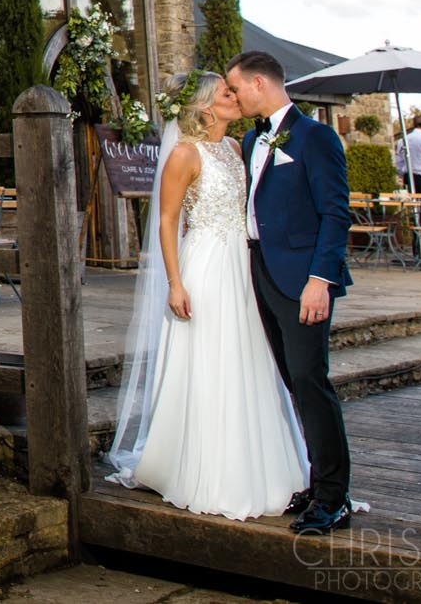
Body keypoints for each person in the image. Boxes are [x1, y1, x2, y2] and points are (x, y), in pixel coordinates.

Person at [106, 71, 308, 520]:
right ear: (203, 106)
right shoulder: (184, 154)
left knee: (249, 356)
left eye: (233, 91)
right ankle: (207, 467)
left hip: (242, 264)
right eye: (225, 93)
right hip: (206, 265)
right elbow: (166, 221)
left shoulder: (237, 148)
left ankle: (261, 464)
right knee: (212, 357)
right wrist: (176, 282)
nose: (234, 98)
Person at [227, 50, 354, 535]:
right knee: (289, 380)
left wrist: (320, 281)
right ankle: (317, 479)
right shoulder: (251, 138)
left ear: (259, 83)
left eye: (236, 89)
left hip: (302, 280)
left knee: (310, 381)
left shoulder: (314, 137)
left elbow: (336, 213)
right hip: (259, 272)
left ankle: (333, 498)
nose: (234, 98)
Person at [397, 113, 421, 228]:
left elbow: (398, 161)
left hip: (408, 176)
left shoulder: (403, 140)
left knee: (413, 209)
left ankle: (417, 243)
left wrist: (401, 173)